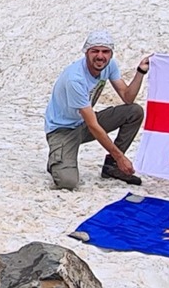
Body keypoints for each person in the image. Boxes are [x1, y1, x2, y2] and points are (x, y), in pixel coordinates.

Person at [44, 30, 150, 190]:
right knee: (68, 182)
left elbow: (127, 98)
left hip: (84, 122)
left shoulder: (110, 65)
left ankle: (112, 167)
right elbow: (93, 125)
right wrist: (120, 157)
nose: (100, 56)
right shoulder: (75, 79)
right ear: (86, 52)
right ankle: (57, 159)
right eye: (95, 51)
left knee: (134, 111)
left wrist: (140, 72)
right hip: (63, 130)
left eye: (105, 51)